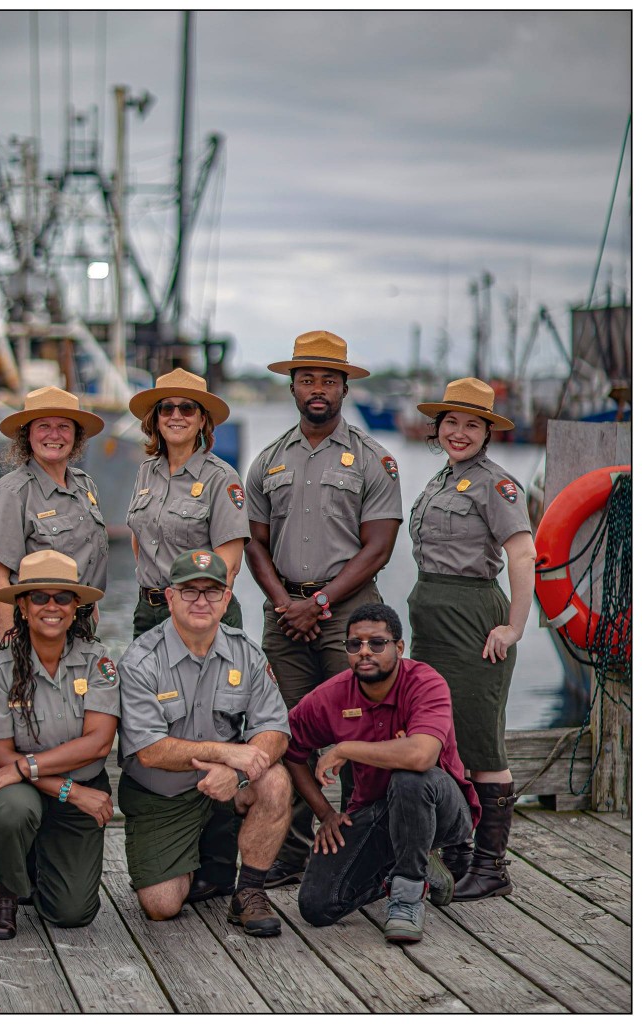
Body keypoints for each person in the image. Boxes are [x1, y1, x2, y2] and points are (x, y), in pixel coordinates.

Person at [244, 330, 403, 887]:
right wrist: (287, 603)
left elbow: (379, 547)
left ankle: (366, 844)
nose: (318, 389)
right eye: (307, 378)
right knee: (285, 732)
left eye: (328, 380)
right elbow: (254, 543)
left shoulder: (372, 460)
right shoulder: (267, 461)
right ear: (292, 386)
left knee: (363, 730)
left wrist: (320, 602)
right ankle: (289, 849)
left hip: (352, 616)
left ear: (343, 387)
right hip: (286, 612)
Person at [117, 550, 293, 937]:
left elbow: (275, 729)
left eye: (213, 592)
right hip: (162, 796)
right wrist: (226, 754)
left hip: (225, 791)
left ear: (227, 599)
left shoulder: (245, 653)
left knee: (275, 781)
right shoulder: (140, 661)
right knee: (162, 906)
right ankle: (197, 858)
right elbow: (150, 750)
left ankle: (249, 891)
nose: (201, 601)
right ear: (170, 597)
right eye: (189, 591)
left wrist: (236, 772)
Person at [406, 378, 536, 900]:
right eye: (451, 423)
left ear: (488, 432)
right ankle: (458, 852)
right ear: (438, 429)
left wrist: (515, 627)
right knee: (442, 737)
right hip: (432, 622)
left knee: (480, 741)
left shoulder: (496, 484)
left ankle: (491, 867)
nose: (460, 433)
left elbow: (523, 556)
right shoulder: (443, 479)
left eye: (472, 424)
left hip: (473, 619)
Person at [126, 367, 251, 904]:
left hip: (204, 615)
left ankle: (219, 863)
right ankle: (167, 833)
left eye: (187, 408)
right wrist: (156, 598)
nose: (176, 416)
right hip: (151, 612)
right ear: (155, 419)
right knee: (159, 723)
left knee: (217, 727)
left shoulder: (222, 477)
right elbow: (139, 543)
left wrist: (196, 609)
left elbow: (230, 557)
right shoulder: (147, 473)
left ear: (203, 420)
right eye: (167, 408)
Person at [287, 603, 481, 944]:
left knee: (409, 777)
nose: (365, 652)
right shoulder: (331, 695)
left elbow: (421, 756)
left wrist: (345, 748)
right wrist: (325, 812)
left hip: (442, 811)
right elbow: (289, 748)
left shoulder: (425, 682)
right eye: (354, 644)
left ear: (399, 647)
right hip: (376, 812)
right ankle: (416, 866)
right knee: (317, 906)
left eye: (377, 643)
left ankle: (407, 897)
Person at [0, 550, 119, 940]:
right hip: (33, 790)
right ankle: (5, 891)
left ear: (76, 608)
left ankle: (32, 858)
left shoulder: (98, 661)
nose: (51, 607)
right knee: (12, 809)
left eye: (62, 597)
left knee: (72, 913)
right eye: (39, 597)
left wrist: (23, 767)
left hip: (75, 787)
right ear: (21, 605)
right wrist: (69, 791)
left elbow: (99, 744)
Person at [0, 385, 108, 641]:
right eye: (43, 426)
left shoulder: (86, 486)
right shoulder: (12, 493)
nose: (54, 435)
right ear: (27, 434)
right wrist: (12, 647)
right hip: (31, 632)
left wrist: (93, 617)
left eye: (64, 426)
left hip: (81, 629)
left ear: (76, 435)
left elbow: (88, 562)